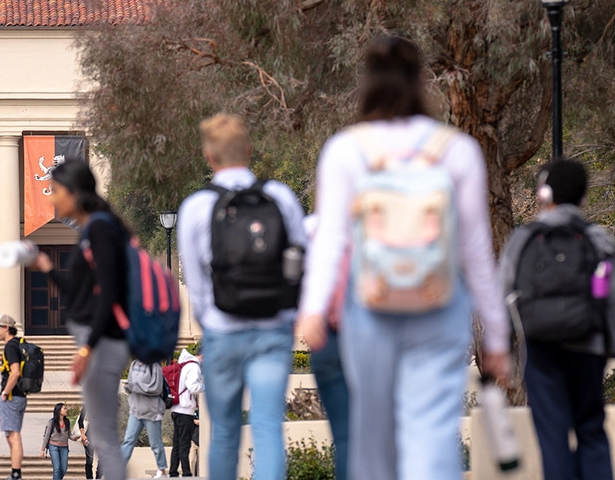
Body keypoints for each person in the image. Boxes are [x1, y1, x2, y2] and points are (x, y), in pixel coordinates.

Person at [296, 35, 511, 480]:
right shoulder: (457, 151)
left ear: (367, 83)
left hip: (369, 309)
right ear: (420, 82)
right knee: (431, 435)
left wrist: (314, 309)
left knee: (373, 443)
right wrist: (495, 334)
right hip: (440, 305)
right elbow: (476, 251)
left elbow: (331, 238)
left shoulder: (346, 151)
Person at [176, 113, 306, 480]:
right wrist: (287, 307)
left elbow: (197, 282)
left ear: (208, 156)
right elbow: (299, 257)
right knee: (267, 429)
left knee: (224, 435)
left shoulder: (196, 208)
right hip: (272, 328)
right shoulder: (280, 196)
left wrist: (210, 319)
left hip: (223, 331)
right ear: (249, 150)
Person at [500, 159, 615, 480]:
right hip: (587, 348)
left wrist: (501, 350)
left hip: (540, 350)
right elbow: (610, 301)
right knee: (591, 429)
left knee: (553, 436)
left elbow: (501, 296)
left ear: (543, 193)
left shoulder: (523, 240)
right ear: (583, 196)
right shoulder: (597, 240)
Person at [30, 160, 130, 480]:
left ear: (74, 193)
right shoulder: (93, 229)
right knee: (102, 433)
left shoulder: (100, 228)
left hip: (102, 341)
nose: (51, 198)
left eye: (55, 191)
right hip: (96, 339)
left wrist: (88, 347)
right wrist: (46, 268)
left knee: (103, 436)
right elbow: (79, 294)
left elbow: (109, 293)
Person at [302, 212, 351, 480]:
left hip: (327, 336)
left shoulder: (310, 228)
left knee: (345, 437)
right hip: (371, 335)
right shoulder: (378, 220)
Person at [0, 314, 31, 480]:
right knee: (11, 434)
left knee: (13, 436)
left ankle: (16, 473)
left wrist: (4, 393)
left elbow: (15, 372)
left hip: (12, 397)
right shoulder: (17, 345)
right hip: (19, 396)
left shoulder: (10, 346)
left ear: (6, 328)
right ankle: (15, 472)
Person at [120, 360, 168, 476]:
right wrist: (128, 387)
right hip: (135, 411)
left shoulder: (154, 366)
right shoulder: (134, 364)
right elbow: (130, 386)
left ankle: (162, 469)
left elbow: (155, 388)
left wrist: (135, 387)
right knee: (128, 441)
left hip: (151, 412)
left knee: (155, 443)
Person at [168, 351, 204, 478]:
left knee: (177, 442)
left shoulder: (184, 364)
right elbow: (193, 387)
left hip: (176, 409)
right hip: (185, 410)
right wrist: (205, 387)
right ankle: (186, 472)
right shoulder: (194, 367)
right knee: (185, 443)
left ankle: (173, 471)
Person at [41, 403, 81, 480]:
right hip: (53, 447)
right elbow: (46, 436)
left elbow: (69, 435)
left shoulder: (67, 422)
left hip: (64, 447)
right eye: (64, 408)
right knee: (57, 468)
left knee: (64, 468)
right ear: (59, 411)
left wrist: (75, 438)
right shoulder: (51, 422)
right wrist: (42, 449)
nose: (66, 410)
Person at [76, 407, 99, 480]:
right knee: (89, 460)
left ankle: (98, 477)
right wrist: (83, 435)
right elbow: (80, 421)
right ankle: (89, 478)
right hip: (89, 436)